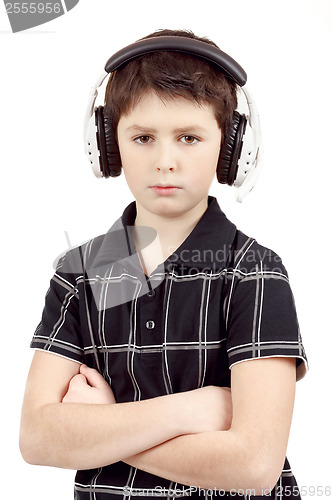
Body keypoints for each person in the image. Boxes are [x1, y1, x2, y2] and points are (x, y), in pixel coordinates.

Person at [19, 29, 308, 499]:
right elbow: (36, 438)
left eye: (189, 137)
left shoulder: (253, 271)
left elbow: (255, 465)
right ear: (109, 146)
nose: (165, 161)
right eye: (143, 137)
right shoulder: (82, 273)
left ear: (230, 149)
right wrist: (192, 410)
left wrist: (101, 426)